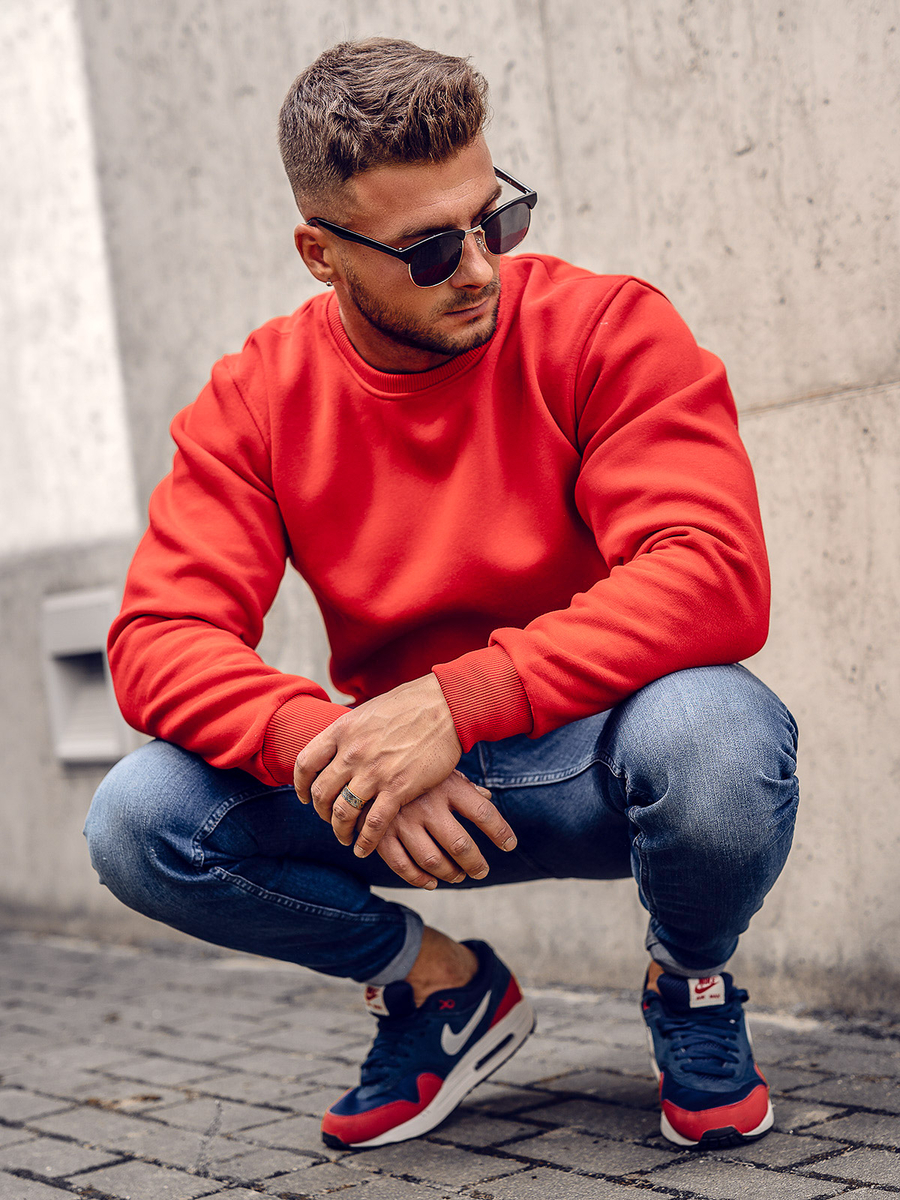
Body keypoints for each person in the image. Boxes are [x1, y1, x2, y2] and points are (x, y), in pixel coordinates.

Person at [85, 37, 800, 1153]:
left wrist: (453, 705)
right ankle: (438, 987)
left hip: (597, 759)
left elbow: (711, 569)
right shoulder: (258, 397)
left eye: (492, 219)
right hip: (398, 803)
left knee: (720, 734)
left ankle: (691, 983)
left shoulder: (603, 329)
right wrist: (338, 749)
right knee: (140, 819)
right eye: (427, 250)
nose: (477, 268)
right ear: (321, 253)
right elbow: (159, 637)